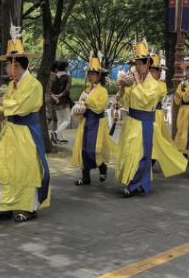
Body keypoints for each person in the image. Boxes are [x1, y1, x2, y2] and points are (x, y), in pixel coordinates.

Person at [0, 25, 49, 222]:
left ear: (16, 65)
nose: (5, 68)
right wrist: (2, 113)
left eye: (7, 64)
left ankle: (29, 208)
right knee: (4, 168)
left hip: (26, 133)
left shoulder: (34, 85)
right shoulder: (13, 84)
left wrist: (1, 103)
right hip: (10, 131)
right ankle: (4, 207)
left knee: (25, 169)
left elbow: (24, 106)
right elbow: (11, 104)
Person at [115, 40, 162, 197]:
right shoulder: (134, 82)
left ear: (147, 64)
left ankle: (133, 185)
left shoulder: (154, 84)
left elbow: (145, 100)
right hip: (131, 121)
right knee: (129, 152)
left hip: (144, 123)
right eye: (135, 63)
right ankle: (134, 182)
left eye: (140, 63)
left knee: (140, 154)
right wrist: (122, 88)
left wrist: (136, 81)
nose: (137, 66)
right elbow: (125, 103)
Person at [71, 57, 118, 185]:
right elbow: (81, 104)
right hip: (85, 121)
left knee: (95, 149)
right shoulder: (86, 90)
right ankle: (85, 176)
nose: (90, 76)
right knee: (83, 148)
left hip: (97, 122)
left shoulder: (103, 91)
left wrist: (88, 99)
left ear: (98, 76)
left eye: (92, 74)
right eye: (89, 74)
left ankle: (102, 167)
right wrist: (78, 108)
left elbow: (100, 107)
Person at [148, 55, 188, 176]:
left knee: (156, 139)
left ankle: (152, 161)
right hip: (144, 114)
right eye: (149, 70)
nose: (151, 73)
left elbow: (157, 96)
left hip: (156, 114)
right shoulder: (143, 83)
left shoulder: (161, 85)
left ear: (159, 73)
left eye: (153, 71)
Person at [172, 56, 189, 154]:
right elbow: (177, 99)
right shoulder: (182, 84)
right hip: (183, 109)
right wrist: (178, 97)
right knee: (181, 128)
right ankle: (182, 150)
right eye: (188, 70)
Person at [49, 60, 73, 144]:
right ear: (66, 68)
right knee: (67, 120)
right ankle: (56, 133)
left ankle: (61, 138)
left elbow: (50, 89)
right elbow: (67, 89)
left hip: (56, 102)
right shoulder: (68, 77)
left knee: (60, 120)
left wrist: (54, 97)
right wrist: (60, 95)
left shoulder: (55, 77)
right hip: (64, 101)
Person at [45, 63, 59, 141]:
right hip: (53, 98)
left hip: (47, 97)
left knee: (54, 117)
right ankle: (39, 131)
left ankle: (54, 135)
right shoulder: (56, 77)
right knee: (51, 117)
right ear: (56, 68)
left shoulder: (47, 76)